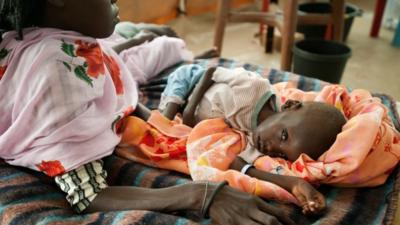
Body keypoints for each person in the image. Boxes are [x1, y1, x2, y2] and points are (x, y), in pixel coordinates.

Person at [0, 0, 295, 224]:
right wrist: (203, 194)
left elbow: (114, 85)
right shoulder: (58, 74)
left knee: (158, 42)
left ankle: (148, 34)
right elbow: (89, 196)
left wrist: (163, 124)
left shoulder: (58, 41)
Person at [160, 64, 347, 214]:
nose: (271, 148)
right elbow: (211, 71)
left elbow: (243, 166)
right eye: (283, 135)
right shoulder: (254, 89)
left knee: (169, 137)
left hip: (192, 109)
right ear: (290, 105)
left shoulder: (253, 139)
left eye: (281, 153)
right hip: (190, 81)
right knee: (162, 122)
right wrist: (189, 111)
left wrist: (296, 184)